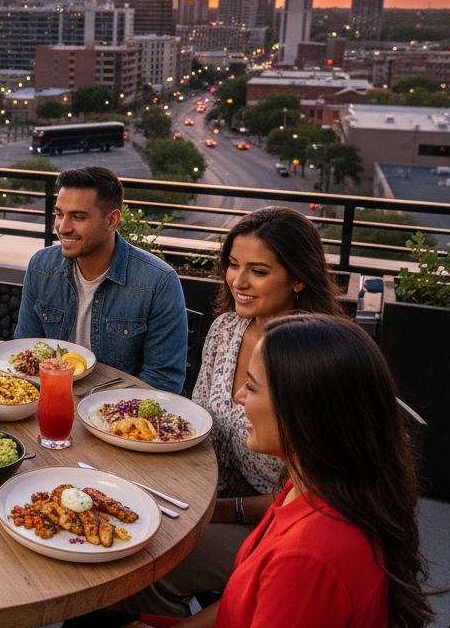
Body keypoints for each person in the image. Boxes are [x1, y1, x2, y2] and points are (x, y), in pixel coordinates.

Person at [128, 205, 344, 616]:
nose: (238, 281)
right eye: (232, 265)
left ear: (299, 277)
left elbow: (317, 493)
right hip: (212, 487)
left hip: (274, 518)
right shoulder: (227, 327)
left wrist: (219, 512)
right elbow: (197, 419)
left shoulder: (312, 361)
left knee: (150, 562)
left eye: (258, 271)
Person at [175, 313, 433, 627]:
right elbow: (247, 599)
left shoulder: (308, 558)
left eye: (252, 387)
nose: (239, 397)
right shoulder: (308, 486)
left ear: (302, 411)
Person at [14, 166, 187, 392]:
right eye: (59, 214)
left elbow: (163, 381)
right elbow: (24, 351)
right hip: (48, 400)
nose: (63, 227)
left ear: (112, 220)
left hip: (116, 418)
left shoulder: (158, 283)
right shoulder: (41, 267)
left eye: (78, 216)